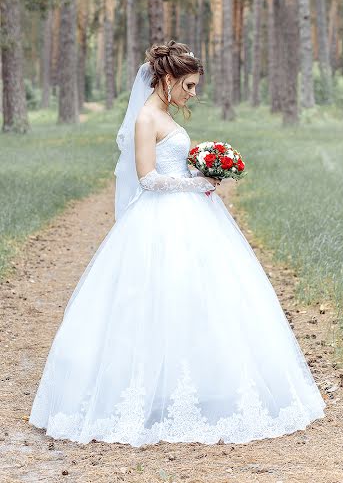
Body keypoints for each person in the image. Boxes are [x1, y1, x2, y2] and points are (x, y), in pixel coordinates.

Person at [29, 40, 326, 446]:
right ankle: (142, 390)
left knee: (202, 297)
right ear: (166, 79)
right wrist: (195, 182)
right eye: (188, 85)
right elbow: (148, 178)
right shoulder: (146, 119)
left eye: (194, 86)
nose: (193, 94)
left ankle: (200, 383)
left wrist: (202, 165)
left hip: (190, 212)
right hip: (159, 216)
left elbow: (171, 162)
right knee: (153, 297)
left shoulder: (165, 113)